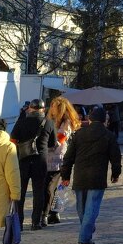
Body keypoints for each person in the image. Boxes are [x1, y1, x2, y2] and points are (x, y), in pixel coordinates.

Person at [60, 106, 122, 244]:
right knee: (91, 209)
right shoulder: (108, 135)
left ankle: (86, 229)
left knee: (81, 208)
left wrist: (65, 175)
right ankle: (84, 238)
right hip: (97, 177)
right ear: (104, 120)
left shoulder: (79, 134)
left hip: (80, 175)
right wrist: (115, 173)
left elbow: (68, 157)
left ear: (90, 118)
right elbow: (115, 157)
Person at [10, 98, 55, 230]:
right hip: (40, 161)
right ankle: (36, 222)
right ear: (43, 109)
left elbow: (12, 140)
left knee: (21, 192)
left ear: (30, 108)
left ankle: (19, 222)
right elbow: (52, 144)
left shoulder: (21, 122)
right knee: (39, 191)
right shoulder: (49, 123)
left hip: (23, 160)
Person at [45, 96, 81, 226]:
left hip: (57, 158)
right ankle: (51, 212)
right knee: (51, 187)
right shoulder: (51, 120)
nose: (52, 109)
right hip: (49, 157)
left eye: (54, 107)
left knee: (53, 188)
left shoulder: (66, 123)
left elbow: (59, 140)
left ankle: (52, 212)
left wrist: (43, 144)